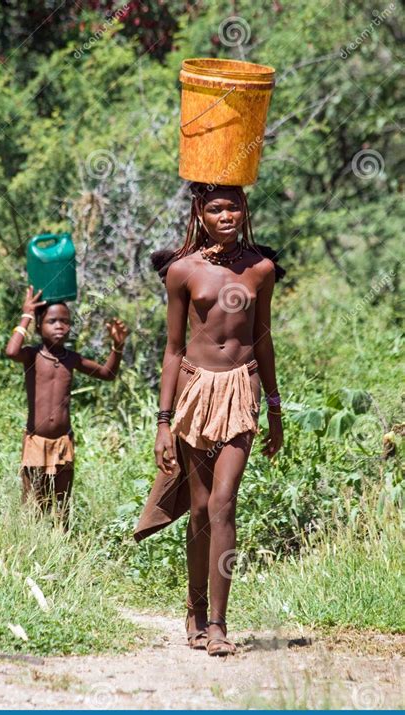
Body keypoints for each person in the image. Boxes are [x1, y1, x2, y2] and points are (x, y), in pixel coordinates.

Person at [134, 182, 285, 656]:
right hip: (196, 392)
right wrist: (163, 421)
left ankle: (218, 624)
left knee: (223, 503)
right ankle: (194, 611)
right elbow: (174, 349)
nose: (226, 216)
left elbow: (262, 340)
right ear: (200, 212)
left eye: (233, 207)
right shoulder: (182, 272)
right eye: (216, 208)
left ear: (244, 210)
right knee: (199, 509)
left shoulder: (260, 269)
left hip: (242, 387)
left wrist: (275, 408)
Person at [5, 286, 129, 530]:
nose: (59, 326)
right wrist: (27, 314)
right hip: (36, 440)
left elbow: (108, 373)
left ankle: (62, 546)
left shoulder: (71, 359)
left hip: (63, 441)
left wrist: (118, 347)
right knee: (32, 503)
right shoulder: (32, 355)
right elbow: (11, 351)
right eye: (51, 321)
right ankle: (30, 548)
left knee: (62, 504)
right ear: (40, 327)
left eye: (65, 321)